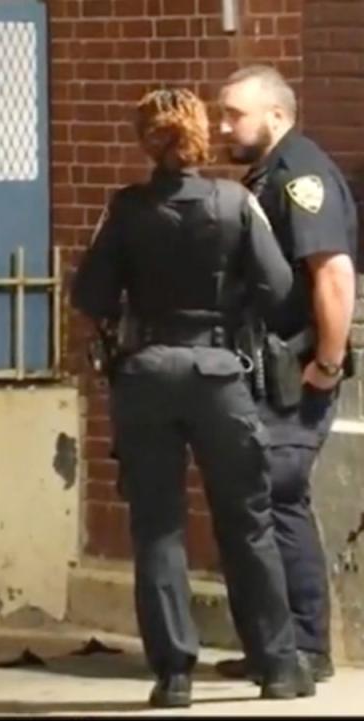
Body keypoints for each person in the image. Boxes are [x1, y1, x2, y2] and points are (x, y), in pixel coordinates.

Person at [71, 87, 314, 708]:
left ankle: (174, 675)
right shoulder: (235, 203)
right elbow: (279, 285)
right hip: (219, 373)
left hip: (147, 374)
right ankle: (279, 666)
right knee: (247, 520)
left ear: (145, 139)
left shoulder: (124, 209)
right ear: (202, 134)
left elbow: (91, 295)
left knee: (156, 527)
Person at [216, 65, 358, 683]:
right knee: (262, 504)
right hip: (272, 371)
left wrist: (326, 362)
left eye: (233, 115)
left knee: (278, 502)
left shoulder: (300, 178)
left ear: (275, 115)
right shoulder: (271, 175)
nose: (223, 126)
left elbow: (332, 274)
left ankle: (303, 647)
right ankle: (276, 646)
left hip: (294, 375)